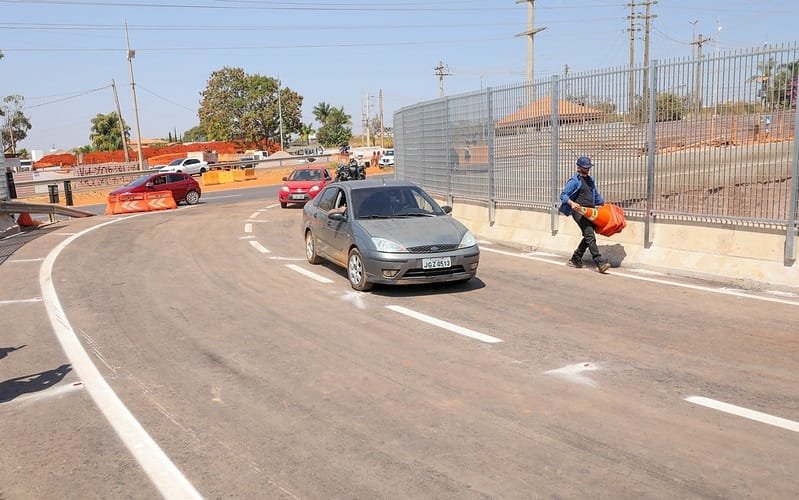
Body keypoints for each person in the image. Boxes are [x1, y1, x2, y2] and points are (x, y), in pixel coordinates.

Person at [559, 156, 611, 273]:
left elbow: (595, 195)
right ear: (579, 167)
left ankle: (575, 259)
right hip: (579, 212)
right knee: (590, 235)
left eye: (588, 167)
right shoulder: (574, 181)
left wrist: (604, 204)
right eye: (585, 167)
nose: (587, 169)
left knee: (588, 236)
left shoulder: (590, 180)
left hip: (591, 212)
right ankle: (600, 263)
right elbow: (563, 195)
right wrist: (572, 204)